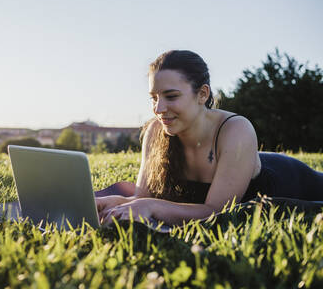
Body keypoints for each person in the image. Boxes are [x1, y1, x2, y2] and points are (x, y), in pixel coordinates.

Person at [95, 50, 323, 226]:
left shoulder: (236, 129)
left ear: (202, 94)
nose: (159, 108)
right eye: (153, 97)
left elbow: (216, 212)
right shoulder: (156, 131)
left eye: (171, 96)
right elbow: (142, 198)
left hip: (295, 180)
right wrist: (105, 204)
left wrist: (150, 206)